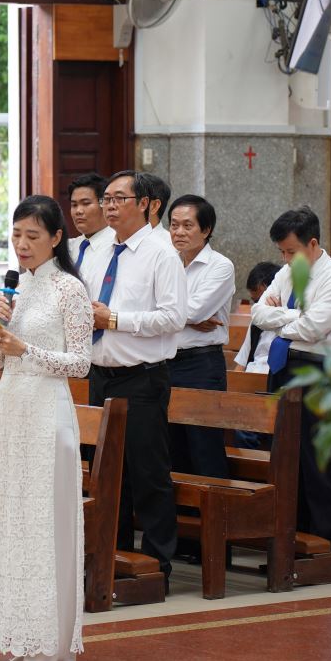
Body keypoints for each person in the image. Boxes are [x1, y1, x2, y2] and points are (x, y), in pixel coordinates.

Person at [0, 195, 91, 661]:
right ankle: (21, 634)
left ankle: (51, 645)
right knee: (15, 522)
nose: (22, 244)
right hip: (12, 408)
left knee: (47, 523)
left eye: (32, 235)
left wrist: (24, 348)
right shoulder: (15, 288)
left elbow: (81, 364)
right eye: (16, 235)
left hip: (49, 411)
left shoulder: (69, 289)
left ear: (56, 238)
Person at [85, 170, 186, 586]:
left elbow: (173, 317)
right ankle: (113, 555)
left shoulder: (161, 254)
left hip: (142, 379)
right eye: (106, 198)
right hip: (100, 375)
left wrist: (115, 319)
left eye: (118, 198)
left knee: (147, 475)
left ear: (144, 204)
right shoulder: (98, 251)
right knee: (107, 474)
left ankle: (157, 567)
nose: (109, 206)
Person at [252, 207, 331, 558]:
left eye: (291, 251)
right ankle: (292, 543)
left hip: (318, 372)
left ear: (312, 244)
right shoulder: (286, 272)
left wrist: (280, 316)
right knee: (286, 458)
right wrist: (294, 315)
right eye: (281, 251)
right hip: (283, 367)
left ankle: (330, 550)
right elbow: (258, 314)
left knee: (317, 463)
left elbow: (315, 328)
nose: (285, 259)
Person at [165, 194, 233, 478]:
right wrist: (188, 321)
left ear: (206, 230)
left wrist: (173, 316)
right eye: (174, 225)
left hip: (201, 365)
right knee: (171, 448)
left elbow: (194, 310)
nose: (179, 232)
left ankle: (217, 506)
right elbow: (145, 306)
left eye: (187, 225)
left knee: (204, 446)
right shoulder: (166, 261)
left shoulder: (220, 266)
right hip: (165, 361)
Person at [233, 262, 281, 374]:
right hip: (251, 375)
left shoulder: (293, 321)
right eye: (256, 301)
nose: (259, 306)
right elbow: (241, 364)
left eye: (262, 299)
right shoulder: (256, 322)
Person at [67, 172, 114, 282]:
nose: (78, 211)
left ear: (104, 203)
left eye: (86, 203)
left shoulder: (117, 246)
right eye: (74, 205)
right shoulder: (69, 247)